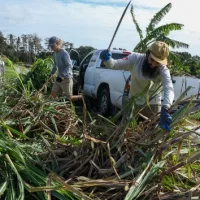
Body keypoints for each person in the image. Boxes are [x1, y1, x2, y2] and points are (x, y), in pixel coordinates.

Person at [100, 41, 174, 131]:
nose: (153, 64)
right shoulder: (135, 59)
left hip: (153, 104)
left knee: (151, 131)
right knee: (127, 130)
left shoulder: (163, 69)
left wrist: (165, 107)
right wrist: (107, 60)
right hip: (133, 102)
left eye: (157, 62)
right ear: (147, 54)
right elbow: (114, 64)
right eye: (152, 59)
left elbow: (168, 87)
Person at [48, 36, 82, 101]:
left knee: (69, 98)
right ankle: (57, 107)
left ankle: (82, 98)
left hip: (66, 78)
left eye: (53, 46)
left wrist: (62, 75)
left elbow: (69, 66)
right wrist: (51, 74)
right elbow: (55, 65)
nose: (51, 48)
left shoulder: (64, 53)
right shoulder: (55, 54)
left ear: (57, 43)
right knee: (53, 94)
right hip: (59, 78)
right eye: (50, 46)